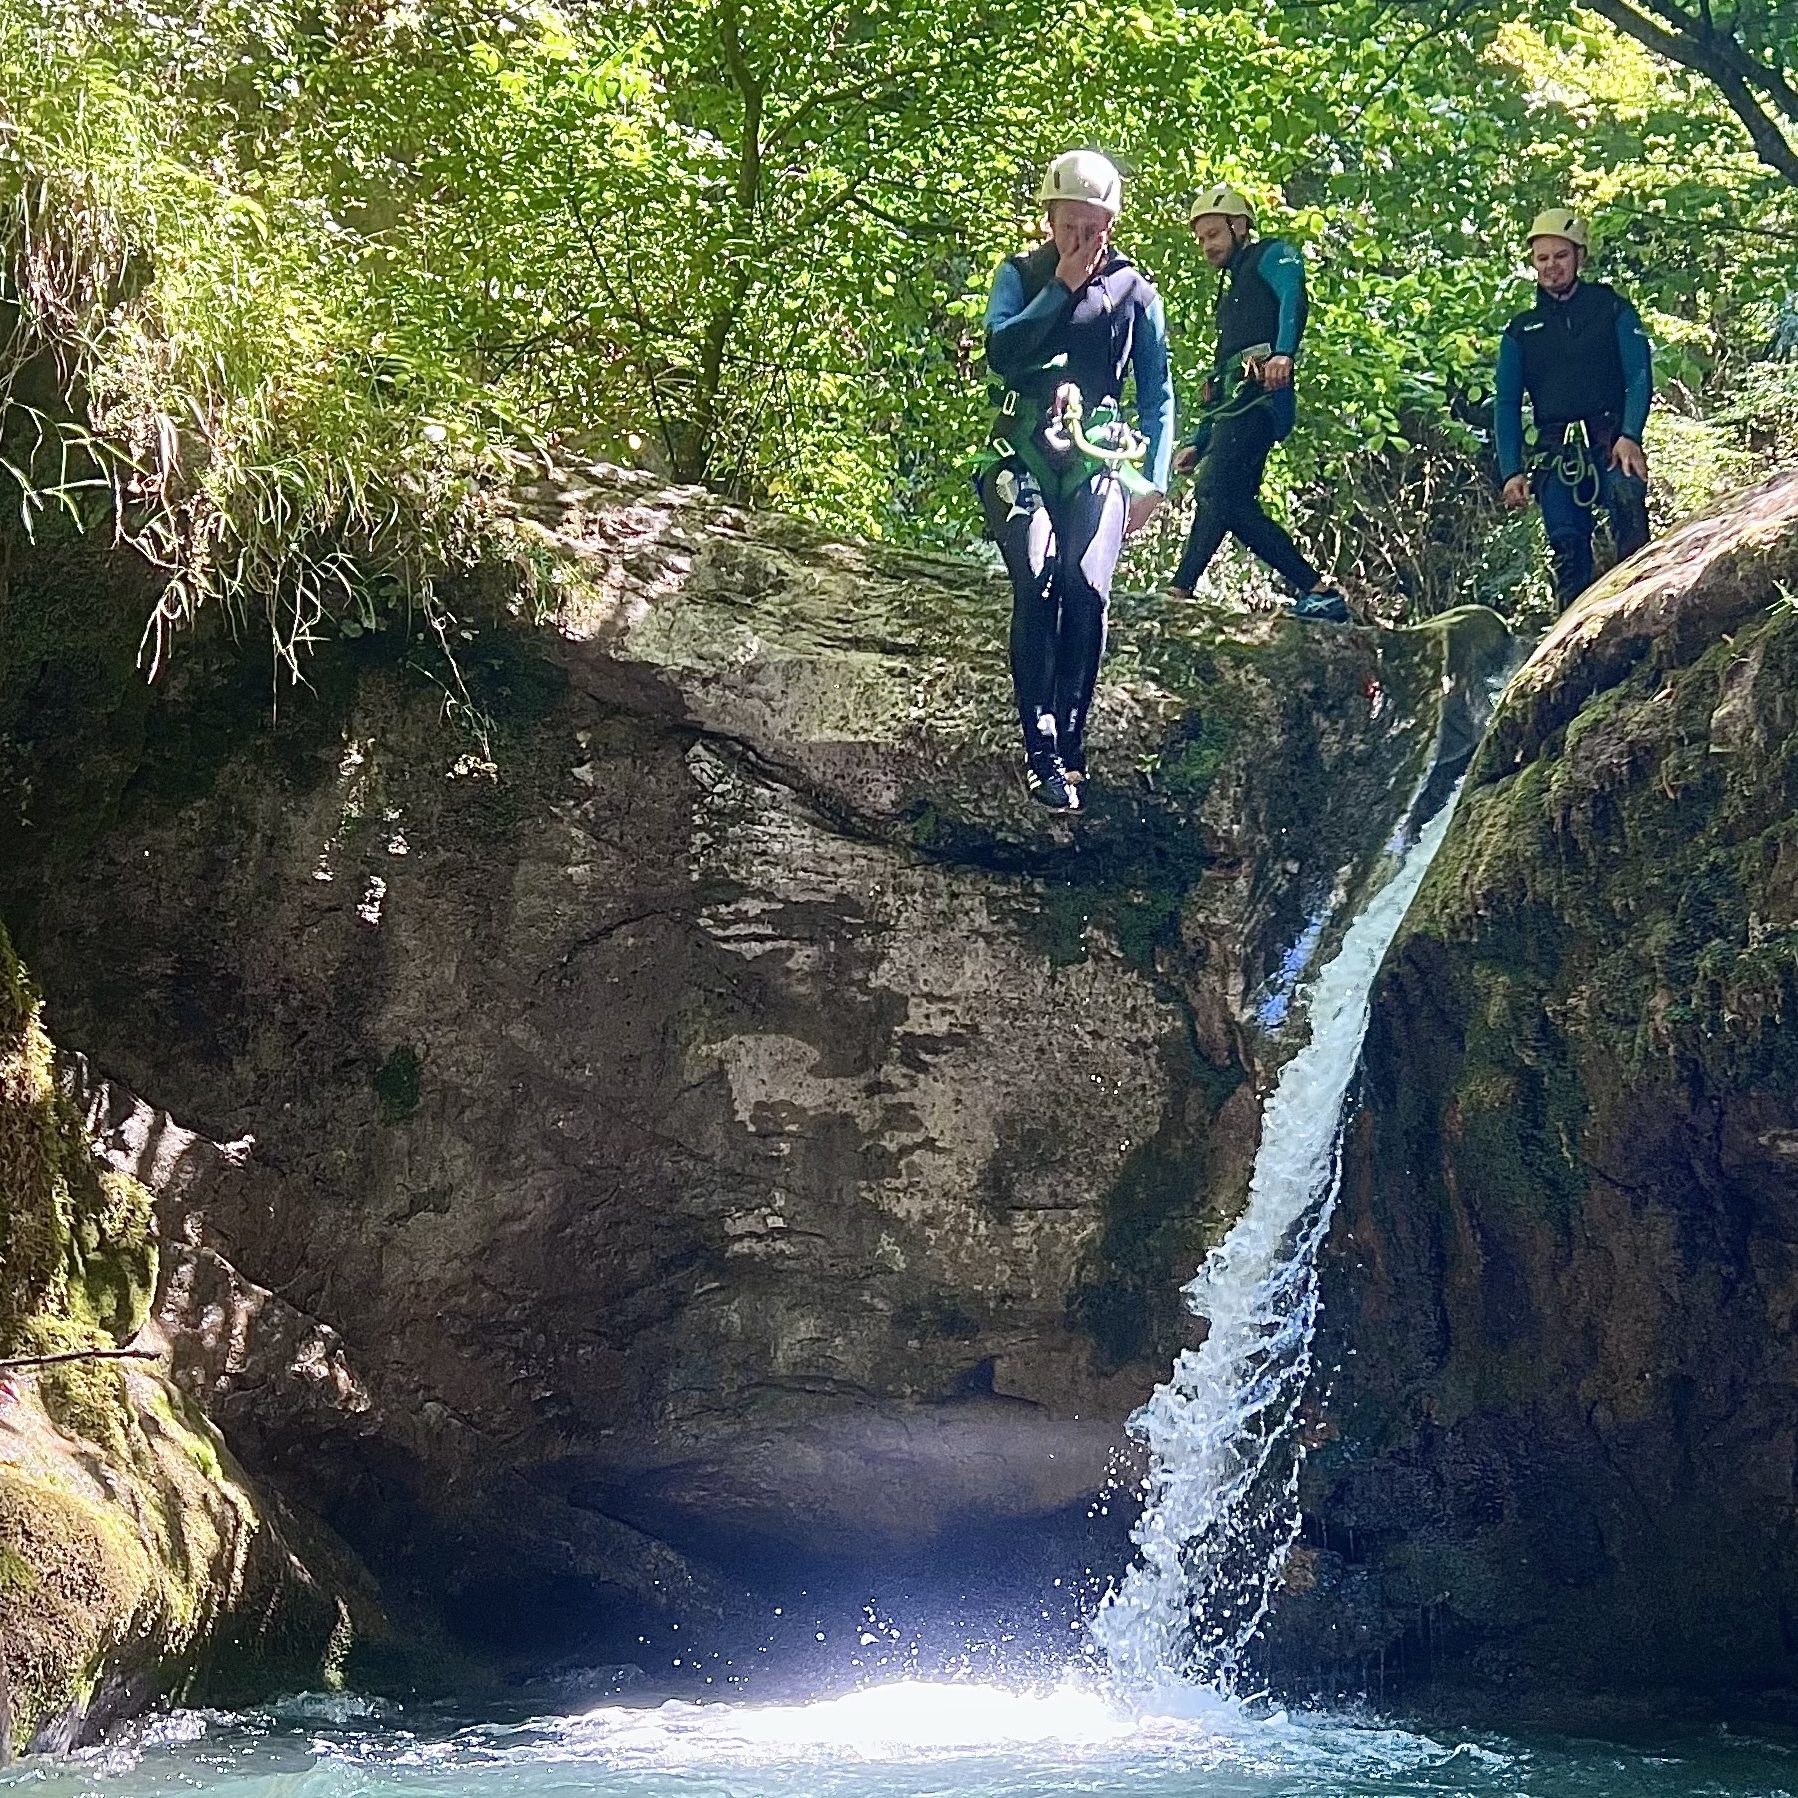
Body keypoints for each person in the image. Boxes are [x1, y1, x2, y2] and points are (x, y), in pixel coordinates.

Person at [978, 149, 1174, 812]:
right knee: (1036, 579)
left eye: (1093, 228)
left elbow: (1159, 393)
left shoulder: (1135, 293)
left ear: (1111, 225)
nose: (1081, 240)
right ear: (1049, 219)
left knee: (1083, 587)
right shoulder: (1021, 275)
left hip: (1099, 458)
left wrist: (1153, 479)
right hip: (1019, 455)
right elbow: (1002, 354)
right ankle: (1040, 755)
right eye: (1069, 226)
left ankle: (1071, 746)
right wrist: (1060, 284)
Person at [1168, 184, 1346, 621]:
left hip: (1261, 399)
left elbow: (1293, 298)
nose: (1207, 245)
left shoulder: (1272, 254)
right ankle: (1313, 588)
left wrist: (1284, 352)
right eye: (1201, 238)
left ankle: (1183, 588)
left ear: (1239, 225)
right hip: (1236, 404)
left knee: (1216, 491)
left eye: (1214, 233)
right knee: (1227, 500)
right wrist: (1201, 439)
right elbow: (1221, 373)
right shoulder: (1230, 293)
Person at [1496, 207, 1652, 607]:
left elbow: (1638, 374)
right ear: (1533, 262)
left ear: (1579, 257)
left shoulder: (1611, 309)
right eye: (1542, 258)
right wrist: (1511, 471)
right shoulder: (1521, 331)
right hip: (1556, 455)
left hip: (1610, 441)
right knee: (1568, 553)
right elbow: (1508, 403)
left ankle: (1644, 617)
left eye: (1561, 256)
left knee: (1628, 512)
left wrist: (1630, 435)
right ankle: (1572, 649)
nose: (1552, 266)